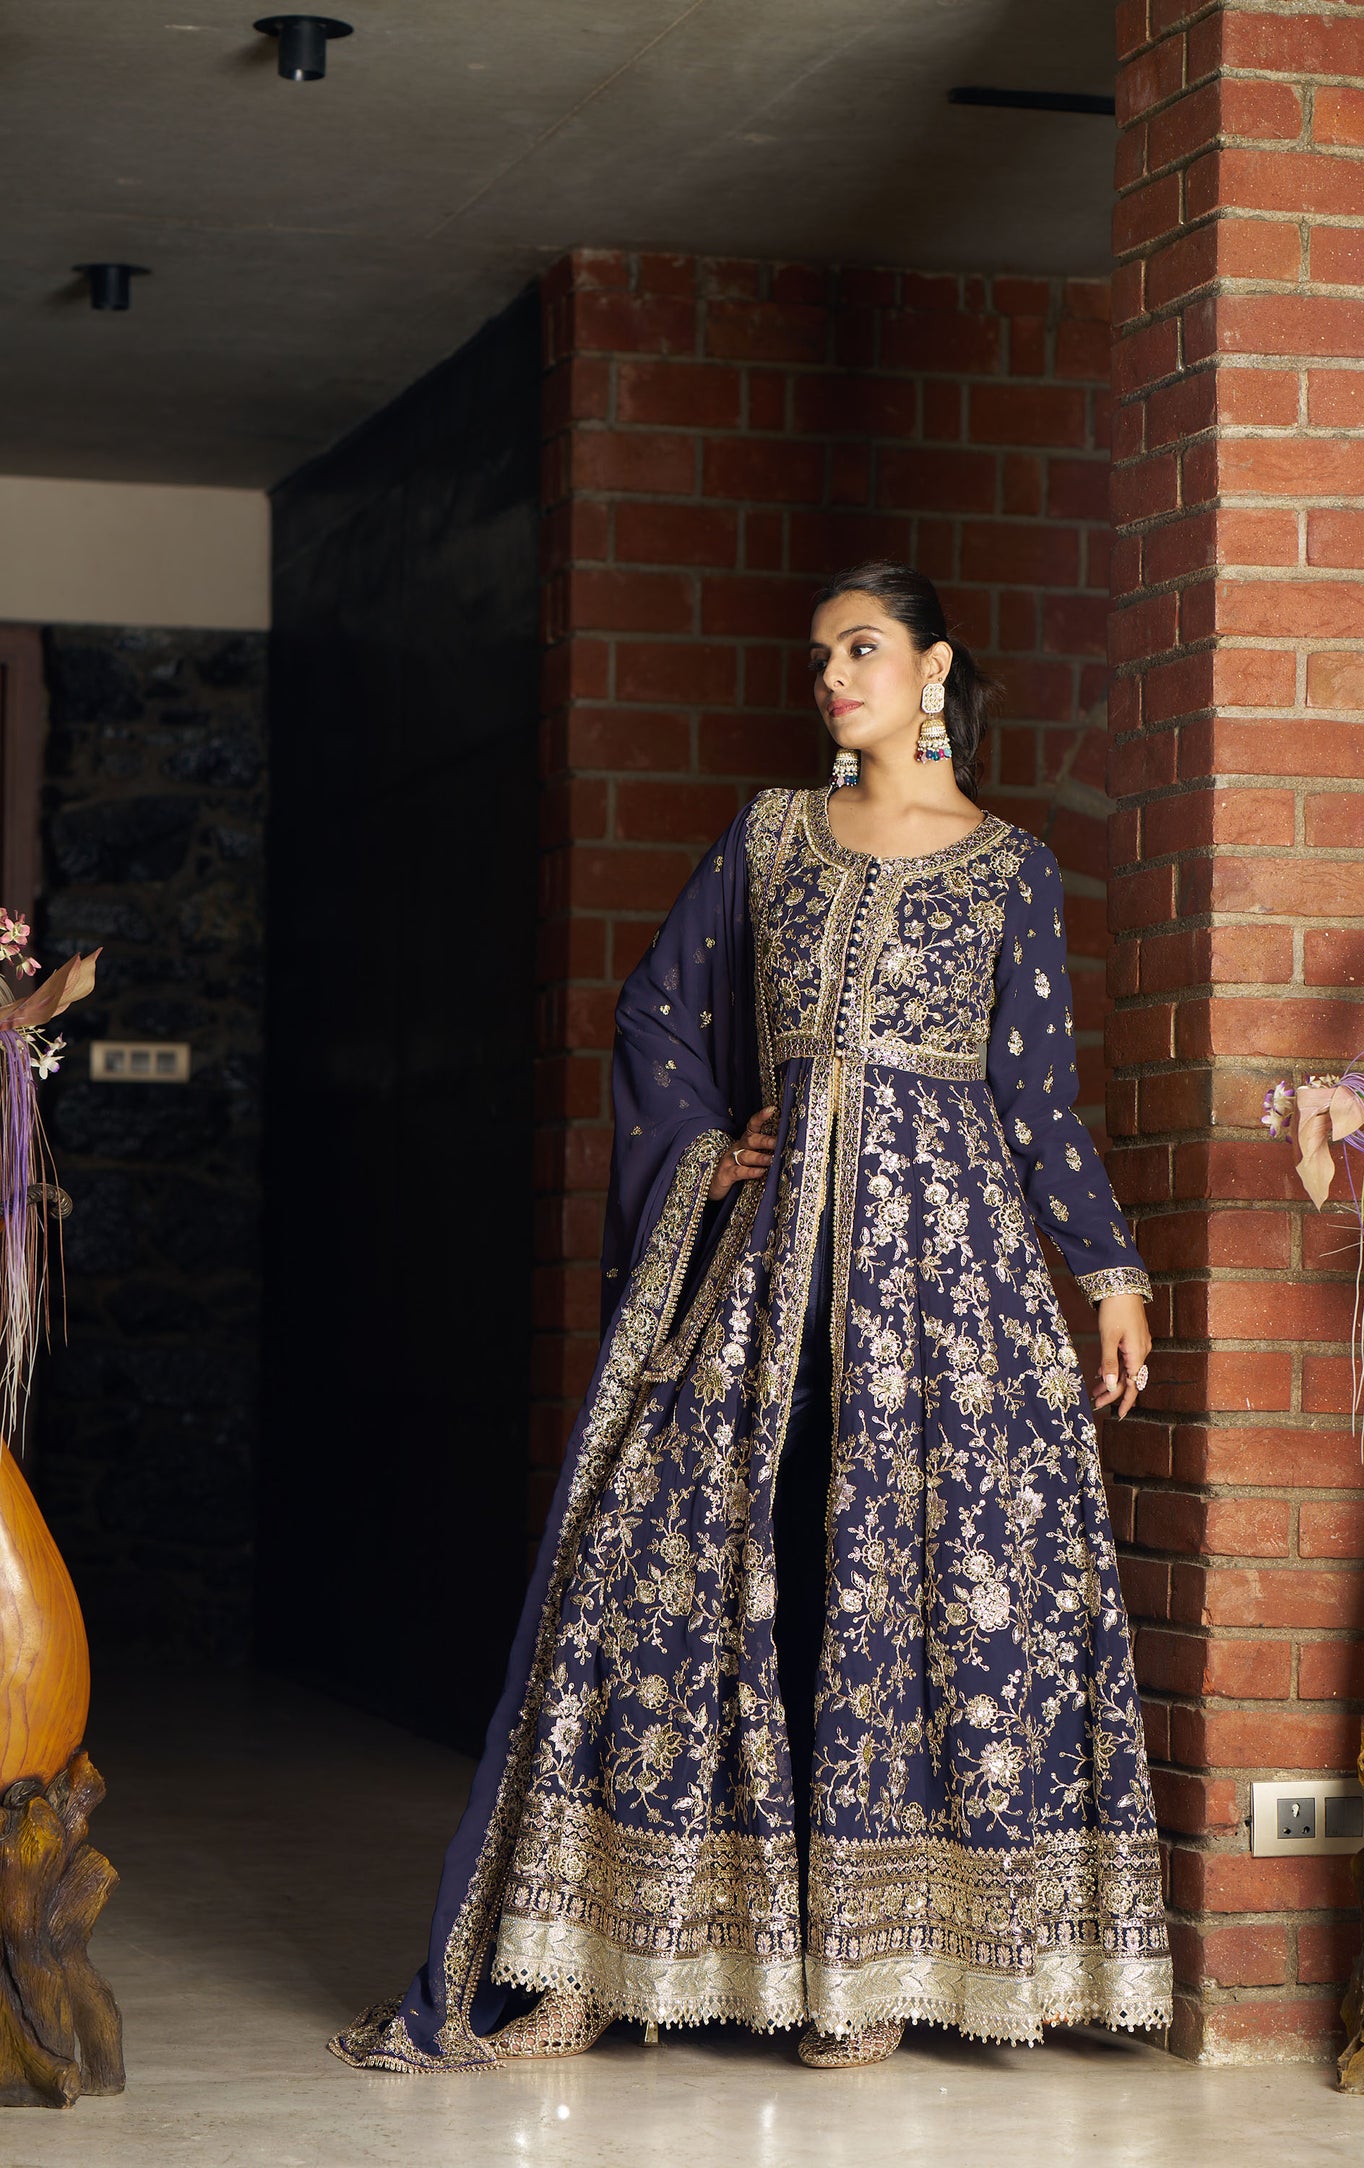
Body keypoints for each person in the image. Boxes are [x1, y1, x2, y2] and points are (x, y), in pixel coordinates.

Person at [330, 560, 1171, 2075]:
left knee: (924, 1589)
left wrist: (1107, 1273)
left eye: (862, 648)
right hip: (769, 1279)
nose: (832, 677)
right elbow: (657, 1012)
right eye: (820, 656)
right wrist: (710, 1151)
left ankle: (877, 1971)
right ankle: (606, 1950)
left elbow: (1038, 1098)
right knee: (671, 1562)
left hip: (950, 1292)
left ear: (933, 669)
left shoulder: (1011, 871)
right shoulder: (769, 838)